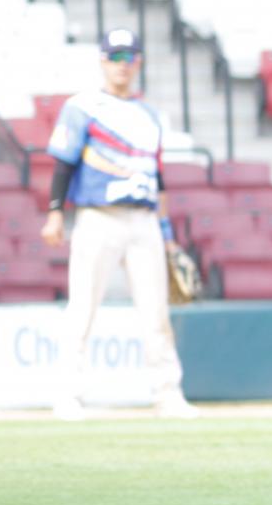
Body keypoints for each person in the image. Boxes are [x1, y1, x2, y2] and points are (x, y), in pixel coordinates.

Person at [41, 27, 196, 419]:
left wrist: (167, 235)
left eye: (127, 58)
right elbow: (64, 163)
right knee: (82, 308)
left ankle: (167, 394)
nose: (120, 65)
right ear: (102, 61)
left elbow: (158, 179)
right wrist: (56, 211)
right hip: (98, 216)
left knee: (155, 312)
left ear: (138, 62)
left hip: (143, 219)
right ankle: (67, 395)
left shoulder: (149, 115)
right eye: (114, 57)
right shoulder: (83, 106)